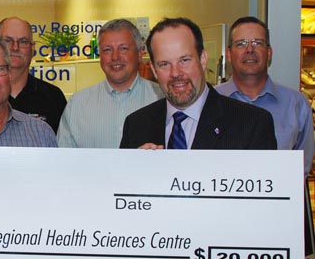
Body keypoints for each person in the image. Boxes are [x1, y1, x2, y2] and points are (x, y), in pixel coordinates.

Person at [119, 17, 277, 150]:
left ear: (203, 60)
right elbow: (121, 184)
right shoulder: (136, 126)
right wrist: (137, 171)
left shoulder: (252, 123)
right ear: (154, 70)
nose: (176, 73)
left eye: (185, 60)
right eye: (164, 64)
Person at [216, 16, 314, 175]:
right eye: (241, 44)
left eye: (257, 43)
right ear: (228, 53)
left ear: (269, 52)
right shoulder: (209, 101)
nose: (249, 49)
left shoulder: (297, 104)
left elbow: (301, 169)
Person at [57, 19, 164, 148]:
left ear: (140, 53)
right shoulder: (77, 104)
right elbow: (64, 162)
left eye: (123, 48)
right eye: (107, 50)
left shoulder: (162, 99)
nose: (115, 57)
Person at [0, 16, 67, 133]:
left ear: (33, 48)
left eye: (23, 41)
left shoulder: (54, 97)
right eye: (8, 41)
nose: (15, 47)